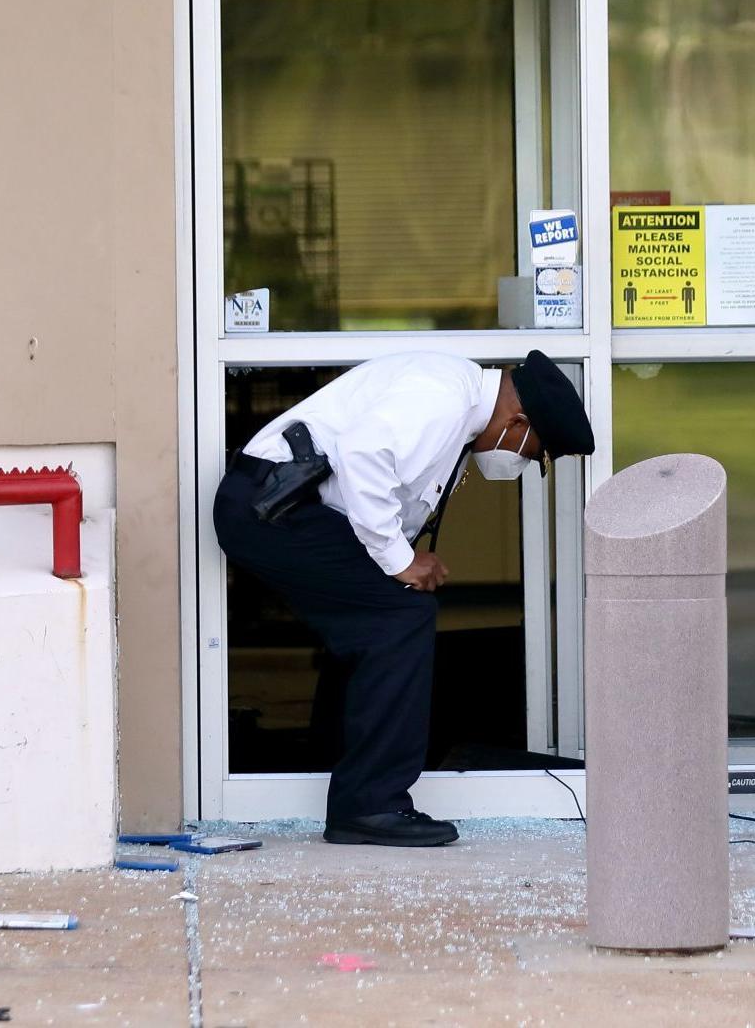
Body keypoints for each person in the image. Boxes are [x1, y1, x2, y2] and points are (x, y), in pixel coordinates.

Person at [213, 350, 594, 847]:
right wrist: (399, 562)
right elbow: (364, 456)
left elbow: (389, 492)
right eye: (530, 451)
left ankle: (343, 774)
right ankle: (370, 805)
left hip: (286, 505)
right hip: (274, 506)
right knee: (399, 619)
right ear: (517, 421)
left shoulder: (456, 405)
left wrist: (401, 559)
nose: (521, 461)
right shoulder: (443, 397)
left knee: (376, 621)